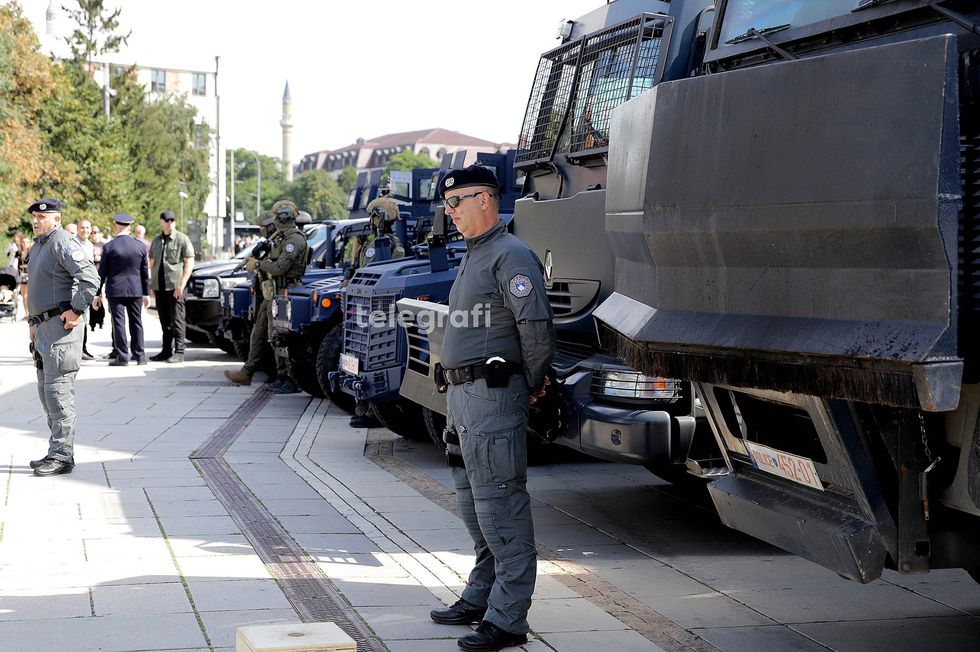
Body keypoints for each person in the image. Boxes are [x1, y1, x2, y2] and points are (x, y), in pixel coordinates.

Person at [427, 165, 555, 652]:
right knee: (474, 507)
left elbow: (536, 329)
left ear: (486, 199)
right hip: (463, 400)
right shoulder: (477, 254)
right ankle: (482, 596)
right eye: (447, 204)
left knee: (501, 505)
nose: (450, 212)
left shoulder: (510, 255)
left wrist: (534, 382)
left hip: (491, 398)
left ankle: (508, 618)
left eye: (457, 202)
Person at [25, 198, 100, 477]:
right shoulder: (39, 245)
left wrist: (76, 309)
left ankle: (62, 456)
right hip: (43, 329)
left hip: (61, 331)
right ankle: (55, 450)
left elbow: (90, 278)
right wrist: (32, 322)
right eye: (33, 217)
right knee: (46, 394)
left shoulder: (62, 241)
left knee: (58, 394)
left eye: (41, 217)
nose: (35, 221)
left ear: (56, 219)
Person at [224, 200, 308, 393]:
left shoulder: (294, 240)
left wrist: (259, 265)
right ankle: (249, 371)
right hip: (274, 294)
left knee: (278, 335)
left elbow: (281, 268)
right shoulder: (281, 238)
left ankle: (288, 378)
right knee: (260, 331)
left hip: (285, 292)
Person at [95, 214, 150, 366]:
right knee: (136, 322)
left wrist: (96, 293)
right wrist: (146, 293)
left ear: (116, 226)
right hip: (135, 290)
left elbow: (102, 272)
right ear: (130, 227)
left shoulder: (109, 246)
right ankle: (140, 356)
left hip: (115, 290)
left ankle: (123, 356)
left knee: (119, 323)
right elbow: (145, 272)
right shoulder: (140, 246)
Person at [149, 210, 194, 363]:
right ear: (161, 222)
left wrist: (182, 284)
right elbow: (152, 264)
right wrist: (151, 285)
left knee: (177, 320)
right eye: (167, 220)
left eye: (172, 220)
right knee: (164, 320)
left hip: (176, 287)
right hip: (160, 287)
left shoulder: (182, 239)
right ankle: (166, 350)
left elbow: (189, 262)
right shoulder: (156, 240)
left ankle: (179, 351)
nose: (170, 223)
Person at [351, 197, 405, 268]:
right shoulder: (392, 241)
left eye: (376, 216)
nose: (373, 220)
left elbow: (368, 268)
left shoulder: (383, 243)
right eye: (372, 216)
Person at [76, 220, 97, 360]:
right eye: (82, 227)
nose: (85, 230)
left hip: (87, 287)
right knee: (78, 319)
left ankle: (83, 348)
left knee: (85, 320)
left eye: (87, 228)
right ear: (78, 229)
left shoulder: (90, 245)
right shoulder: (73, 243)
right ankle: (77, 349)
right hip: (76, 286)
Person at [13, 231, 31, 318]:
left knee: (31, 295)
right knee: (24, 296)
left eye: (27, 242)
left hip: (31, 275)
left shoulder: (32, 252)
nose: (25, 244)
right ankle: (26, 313)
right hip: (22, 275)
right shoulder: (19, 253)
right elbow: (16, 265)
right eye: (23, 242)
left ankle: (31, 312)